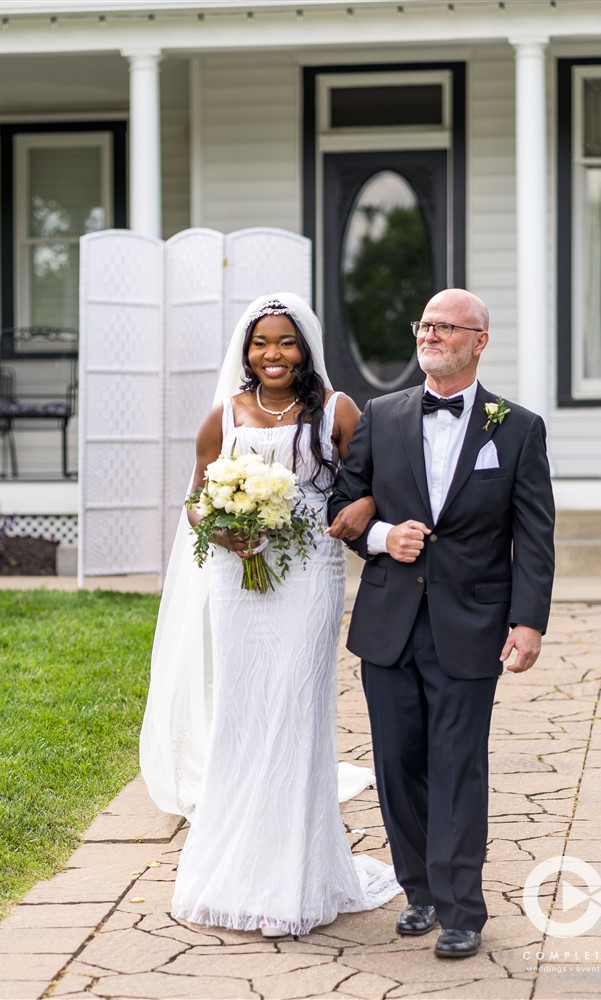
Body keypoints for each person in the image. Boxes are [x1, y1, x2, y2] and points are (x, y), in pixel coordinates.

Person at [140, 292, 401, 939]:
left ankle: (297, 875)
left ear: (304, 348)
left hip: (308, 575)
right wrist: (219, 526)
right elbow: (196, 499)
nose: (272, 354)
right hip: (236, 578)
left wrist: (362, 508)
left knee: (294, 709)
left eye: (285, 342)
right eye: (262, 343)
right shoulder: (222, 416)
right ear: (246, 351)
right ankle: (233, 869)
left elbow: (373, 479)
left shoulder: (336, 411)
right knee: (243, 709)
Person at [328, 288, 555, 958]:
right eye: (425, 325)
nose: (430, 335)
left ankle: (462, 908)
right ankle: (418, 890)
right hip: (389, 623)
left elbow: (533, 535)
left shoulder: (516, 427)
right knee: (398, 764)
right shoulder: (381, 414)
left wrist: (528, 621)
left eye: (446, 327)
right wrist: (379, 537)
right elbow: (344, 501)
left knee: (457, 764)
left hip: (472, 622)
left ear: (478, 341)